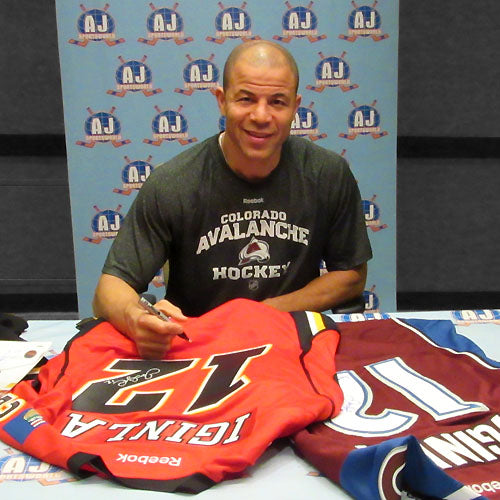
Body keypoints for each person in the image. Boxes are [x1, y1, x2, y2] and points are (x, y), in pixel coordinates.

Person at [92, 40, 372, 359]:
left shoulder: (328, 174)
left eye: (277, 102)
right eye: (246, 99)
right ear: (222, 101)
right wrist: (135, 318)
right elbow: (109, 288)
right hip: (198, 349)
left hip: (292, 344)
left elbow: (351, 275)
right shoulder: (174, 183)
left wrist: (261, 315)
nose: (261, 115)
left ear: (295, 107)